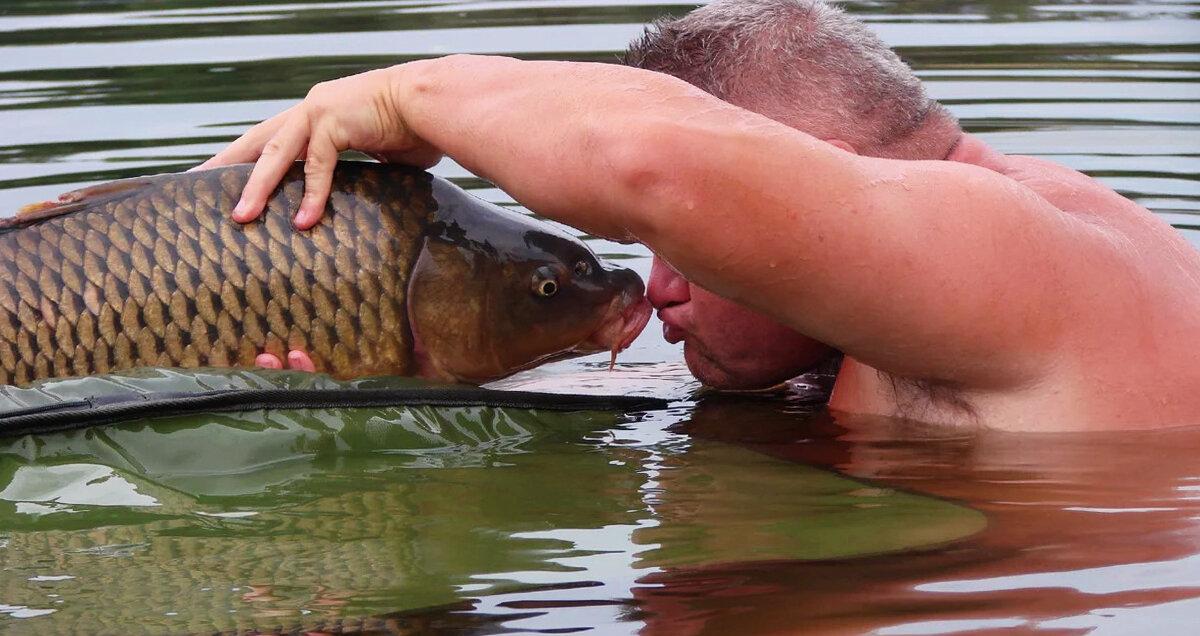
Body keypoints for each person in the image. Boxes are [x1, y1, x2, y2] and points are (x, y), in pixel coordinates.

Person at [202, 0, 1200, 432]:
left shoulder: (1018, 247)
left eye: (684, 247)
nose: (660, 289)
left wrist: (406, 92)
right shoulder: (887, 325)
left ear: (826, 185)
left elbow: (648, 159)